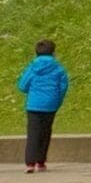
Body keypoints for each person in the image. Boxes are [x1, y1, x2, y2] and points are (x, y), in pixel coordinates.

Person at [18, 38, 63, 174]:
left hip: (33, 105)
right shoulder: (59, 69)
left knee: (33, 133)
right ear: (53, 53)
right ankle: (41, 162)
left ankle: (30, 163)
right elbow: (63, 87)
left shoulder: (32, 68)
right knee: (45, 132)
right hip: (51, 105)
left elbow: (22, 85)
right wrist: (57, 100)